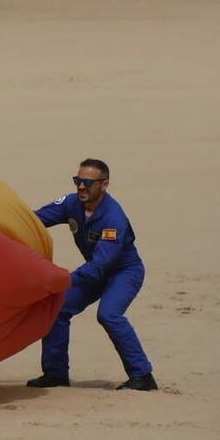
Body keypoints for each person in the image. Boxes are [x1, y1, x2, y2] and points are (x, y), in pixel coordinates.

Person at [28, 159, 157, 391]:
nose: (81, 187)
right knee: (57, 308)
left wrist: (64, 280)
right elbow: (34, 220)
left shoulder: (113, 219)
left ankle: (143, 375)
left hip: (123, 272)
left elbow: (99, 267)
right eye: (78, 181)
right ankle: (55, 373)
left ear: (104, 185)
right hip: (96, 270)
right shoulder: (71, 203)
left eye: (88, 182)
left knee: (109, 314)